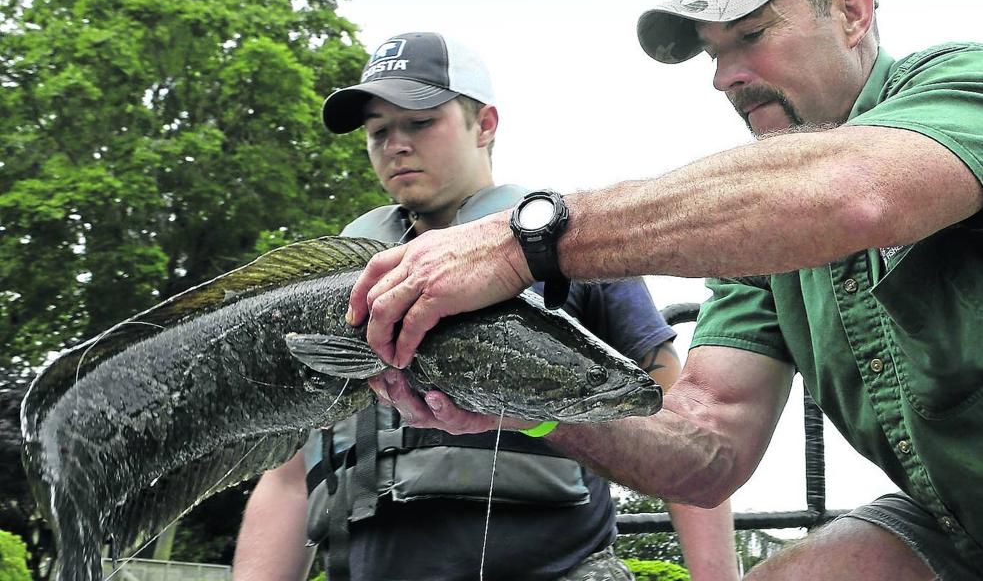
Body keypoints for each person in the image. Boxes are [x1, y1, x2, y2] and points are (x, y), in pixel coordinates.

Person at [345, 0, 983, 580]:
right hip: (956, 530)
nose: (725, 79)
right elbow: (707, 451)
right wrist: (534, 404)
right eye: (712, 52)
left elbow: (855, 193)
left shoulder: (964, 82)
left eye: (752, 35)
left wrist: (525, 240)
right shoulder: (759, 245)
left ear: (852, 13)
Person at [232, 31, 738, 581]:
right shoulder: (336, 291)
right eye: (379, 131)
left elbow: (681, 433)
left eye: (421, 122)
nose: (396, 144)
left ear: (486, 125)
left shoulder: (574, 254)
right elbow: (286, 478)